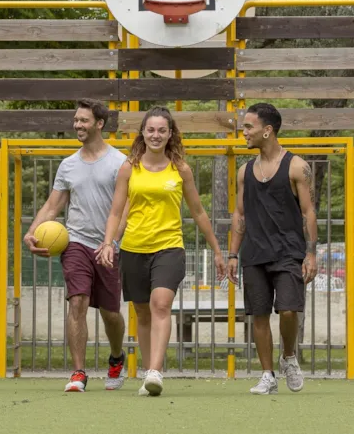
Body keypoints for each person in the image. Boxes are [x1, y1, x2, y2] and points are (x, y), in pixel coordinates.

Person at [97, 106, 225, 397]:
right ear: (143, 132)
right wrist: (108, 243)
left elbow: (199, 212)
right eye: (151, 129)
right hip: (133, 248)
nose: (156, 135)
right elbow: (116, 212)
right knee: (142, 313)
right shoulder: (129, 167)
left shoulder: (180, 168)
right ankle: (147, 372)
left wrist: (217, 250)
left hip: (169, 247)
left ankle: (156, 371)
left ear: (170, 134)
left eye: (162, 130)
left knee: (161, 305)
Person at [24, 99, 128, 392]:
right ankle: (78, 372)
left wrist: (111, 243)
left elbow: (124, 211)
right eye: (76, 120)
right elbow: (52, 205)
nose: (78, 125)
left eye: (84, 120)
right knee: (78, 301)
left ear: (99, 124)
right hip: (76, 243)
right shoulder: (68, 165)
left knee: (110, 314)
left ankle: (117, 357)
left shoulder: (120, 162)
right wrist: (31, 232)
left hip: (109, 247)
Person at [227, 103, 317, 395]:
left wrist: (312, 253)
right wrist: (232, 254)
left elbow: (308, 212)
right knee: (260, 315)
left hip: (289, 252)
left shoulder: (297, 166)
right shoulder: (244, 171)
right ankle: (268, 375)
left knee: (289, 311)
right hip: (254, 253)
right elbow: (239, 215)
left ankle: (288, 356)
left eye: (248, 127)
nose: (244, 133)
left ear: (267, 130)